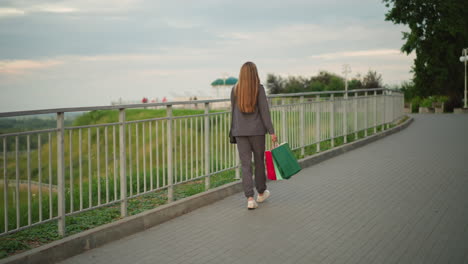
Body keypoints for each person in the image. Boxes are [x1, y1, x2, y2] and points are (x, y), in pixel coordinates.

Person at [230, 61, 278, 210]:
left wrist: (233, 131)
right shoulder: (259, 89)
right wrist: (272, 132)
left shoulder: (235, 89)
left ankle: (250, 199)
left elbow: (233, 112)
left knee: (245, 165)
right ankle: (261, 193)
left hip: (240, 132)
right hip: (257, 132)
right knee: (258, 162)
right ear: (254, 73)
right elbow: (265, 112)